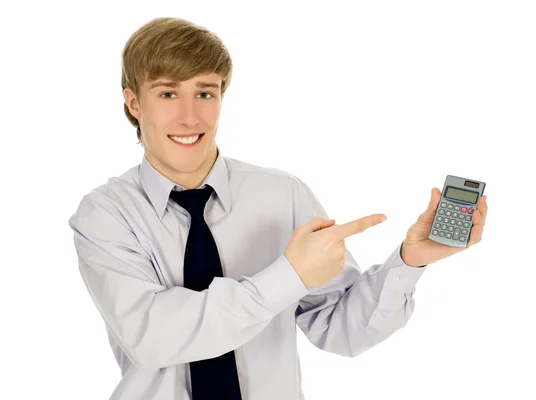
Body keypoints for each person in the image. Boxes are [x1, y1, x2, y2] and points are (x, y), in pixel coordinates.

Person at [68, 17, 488, 400]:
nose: (189, 115)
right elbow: (152, 336)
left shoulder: (282, 194)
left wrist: (408, 262)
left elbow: (341, 330)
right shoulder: (105, 214)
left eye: (204, 92)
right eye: (167, 93)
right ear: (133, 102)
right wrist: (289, 276)